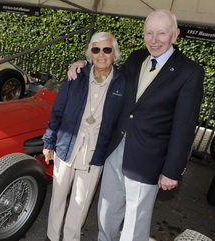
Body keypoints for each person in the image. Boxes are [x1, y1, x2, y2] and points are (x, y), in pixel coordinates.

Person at [67, 9, 204, 241]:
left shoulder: (190, 72)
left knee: (135, 220)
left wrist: (171, 170)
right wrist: (85, 64)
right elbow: (110, 76)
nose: (154, 40)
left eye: (161, 33)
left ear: (175, 35)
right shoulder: (136, 57)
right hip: (116, 148)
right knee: (107, 209)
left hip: (148, 158)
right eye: (149, 33)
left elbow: (184, 126)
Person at [42, 32, 125, 241]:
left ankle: (71, 239)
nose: (101, 54)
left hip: (94, 154)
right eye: (96, 49)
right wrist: (49, 142)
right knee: (58, 198)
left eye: (107, 49)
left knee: (81, 202)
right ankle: (52, 237)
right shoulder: (75, 75)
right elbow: (57, 111)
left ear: (114, 54)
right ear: (90, 54)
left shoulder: (123, 83)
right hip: (66, 147)